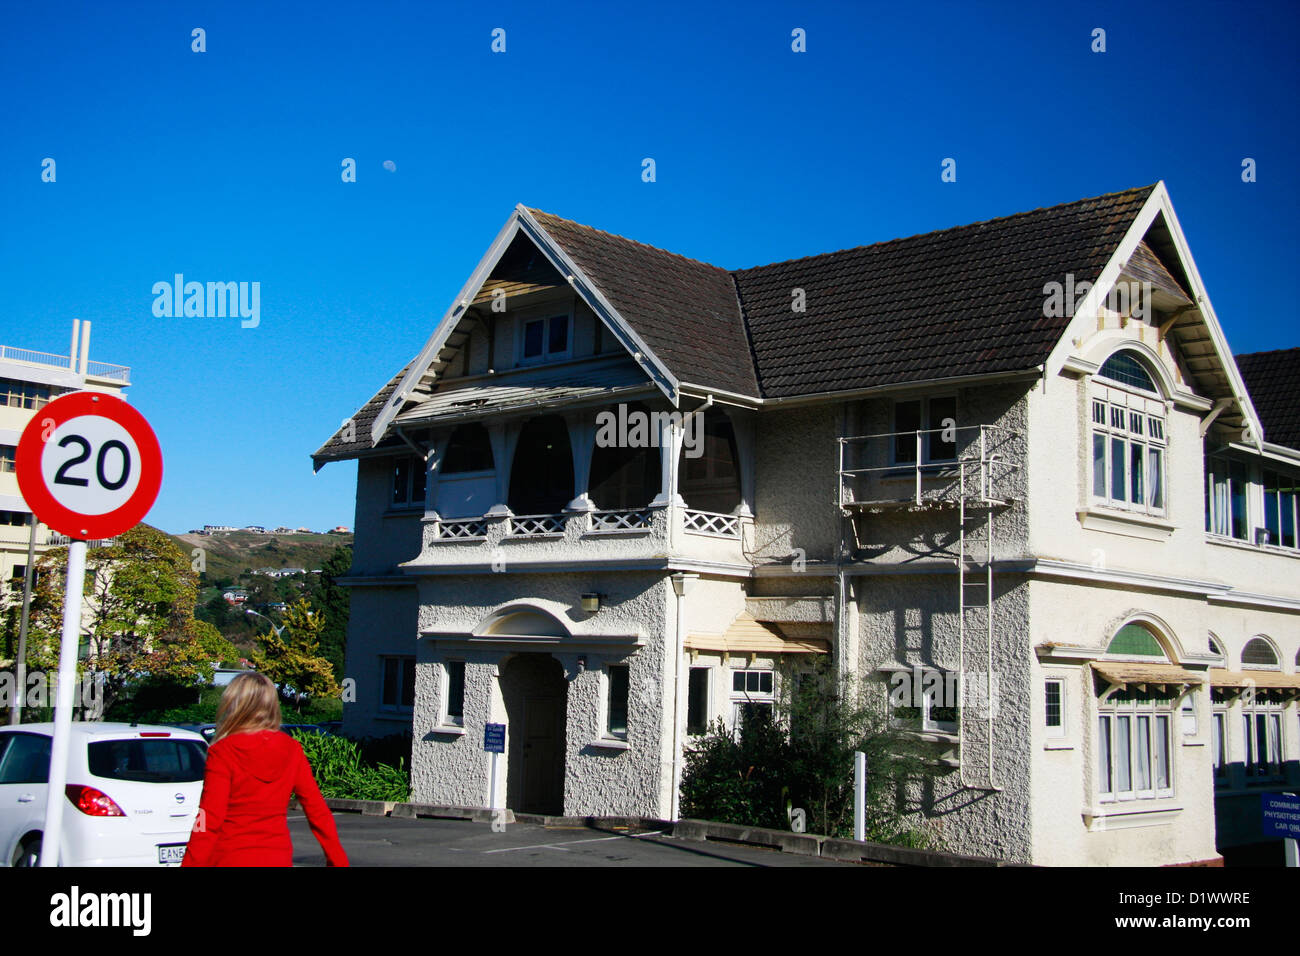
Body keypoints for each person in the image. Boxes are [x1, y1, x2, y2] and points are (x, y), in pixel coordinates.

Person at [182, 672, 348, 867]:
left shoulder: (223, 751)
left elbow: (208, 819)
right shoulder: (291, 749)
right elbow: (317, 811)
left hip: (229, 857)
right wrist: (338, 860)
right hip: (277, 858)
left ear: (234, 705)